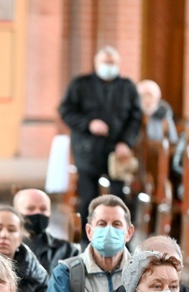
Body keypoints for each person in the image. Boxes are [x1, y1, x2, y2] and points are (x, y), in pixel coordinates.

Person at [58, 46, 142, 234]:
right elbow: (66, 111)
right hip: (88, 151)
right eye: (105, 62)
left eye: (112, 63)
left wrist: (126, 143)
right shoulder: (80, 84)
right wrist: (88, 124)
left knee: (119, 197)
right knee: (88, 198)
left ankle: (120, 235)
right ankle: (87, 238)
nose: (108, 66)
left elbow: (135, 118)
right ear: (96, 63)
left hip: (117, 152)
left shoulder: (128, 87)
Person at [42, 194, 134, 292]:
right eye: (102, 224)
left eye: (116, 224)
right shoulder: (66, 273)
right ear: (89, 231)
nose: (109, 230)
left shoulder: (142, 273)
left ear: (129, 233)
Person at [13, 188, 80, 274]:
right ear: (16, 212)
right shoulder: (5, 247)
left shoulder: (68, 250)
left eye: (43, 209)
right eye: (30, 208)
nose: (38, 213)